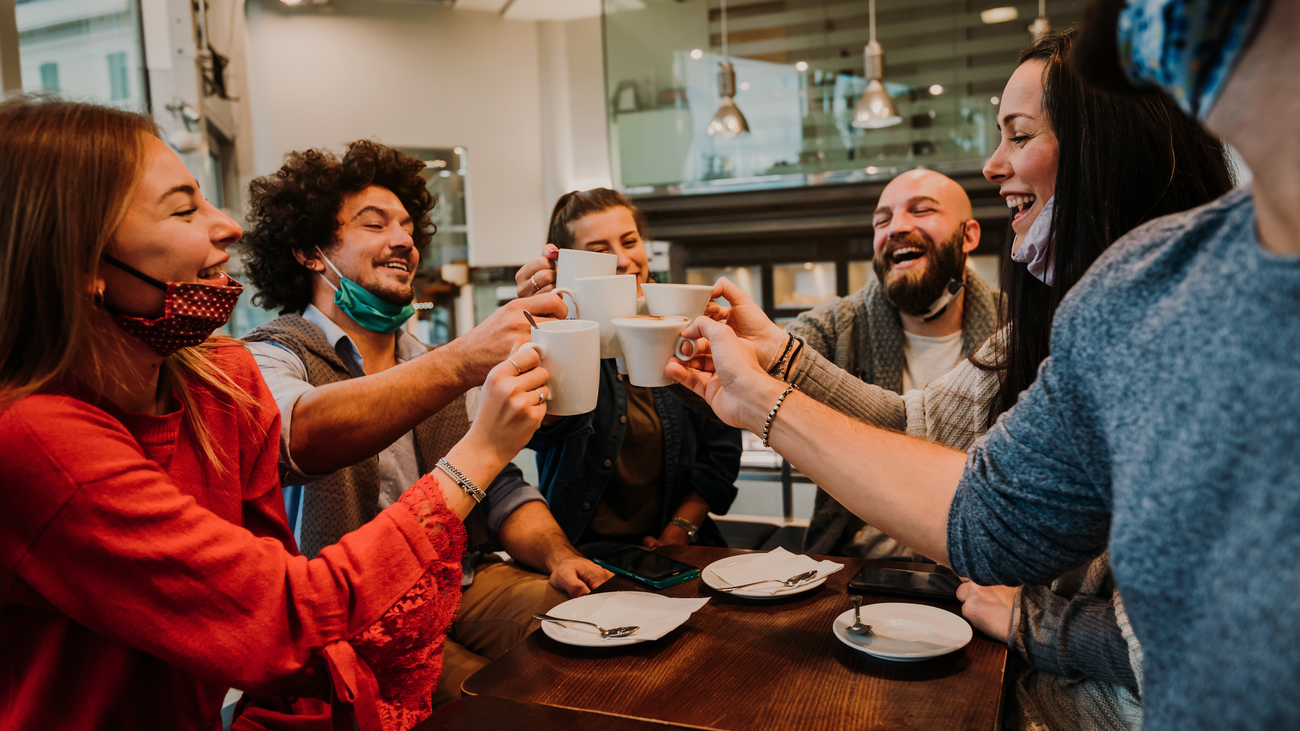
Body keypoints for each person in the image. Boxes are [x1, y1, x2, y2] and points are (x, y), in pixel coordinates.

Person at [667, 0, 1298, 728]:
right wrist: (775, 365)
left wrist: (1033, 620)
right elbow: (953, 467)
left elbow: (1151, 632)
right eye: (882, 217)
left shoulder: (1147, 305)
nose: (994, 165)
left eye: (1019, 135)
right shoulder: (1110, 305)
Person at [0, 98, 548, 730]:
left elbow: (281, 632)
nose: (226, 226)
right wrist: (474, 437)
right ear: (79, 263)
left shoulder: (217, 381)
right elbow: (283, 610)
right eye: (183, 210)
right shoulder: (39, 440)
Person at [239, 141, 612, 708]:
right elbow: (301, 436)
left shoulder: (429, 360)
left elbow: (502, 488)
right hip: (354, 614)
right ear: (310, 252)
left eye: (408, 227)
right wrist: (464, 359)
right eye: (375, 224)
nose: (404, 240)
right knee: (506, 701)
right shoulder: (270, 355)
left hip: (462, 581)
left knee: (598, 631)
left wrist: (561, 555)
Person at [513, 189, 741, 548]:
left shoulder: (686, 323)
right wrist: (551, 327)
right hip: (578, 552)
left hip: (682, 546)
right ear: (572, 267)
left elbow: (722, 451)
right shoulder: (562, 334)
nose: (622, 259)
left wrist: (679, 529)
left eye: (630, 241)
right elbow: (542, 434)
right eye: (600, 251)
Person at [791, 168, 999, 559]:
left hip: (981, 568)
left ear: (968, 235)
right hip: (858, 568)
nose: (897, 227)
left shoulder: (1013, 328)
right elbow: (766, 362)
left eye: (921, 210)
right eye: (882, 220)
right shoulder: (839, 326)